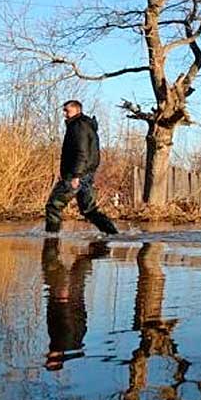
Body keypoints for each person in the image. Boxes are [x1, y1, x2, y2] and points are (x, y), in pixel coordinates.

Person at [44, 99, 119, 235]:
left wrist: (76, 176)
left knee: (53, 206)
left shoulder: (78, 126)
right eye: (64, 111)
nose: (65, 114)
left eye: (67, 111)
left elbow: (82, 152)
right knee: (88, 210)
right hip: (86, 174)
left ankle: (51, 238)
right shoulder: (84, 125)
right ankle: (113, 234)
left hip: (77, 174)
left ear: (77, 110)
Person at [41, 237, 110, 371]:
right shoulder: (63, 342)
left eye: (48, 358)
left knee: (81, 263)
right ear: (58, 357)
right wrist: (63, 299)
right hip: (66, 296)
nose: (47, 356)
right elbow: (65, 321)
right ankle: (104, 242)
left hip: (73, 298)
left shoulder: (69, 345)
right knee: (51, 259)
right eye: (50, 358)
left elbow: (77, 322)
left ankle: (103, 244)